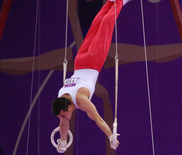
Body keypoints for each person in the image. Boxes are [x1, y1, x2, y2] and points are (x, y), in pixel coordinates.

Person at [52, 0, 129, 153]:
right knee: (96, 25)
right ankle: (109, 3)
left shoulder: (81, 100)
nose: (64, 118)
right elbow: (63, 125)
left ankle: (120, 1)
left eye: (64, 115)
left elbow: (98, 119)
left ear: (68, 107)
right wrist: (61, 143)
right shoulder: (62, 98)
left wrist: (111, 136)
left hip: (94, 60)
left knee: (106, 25)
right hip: (79, 61)